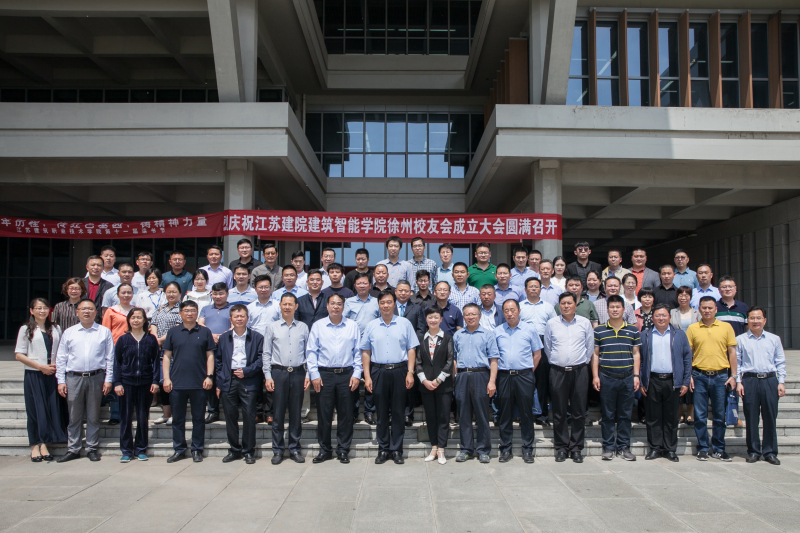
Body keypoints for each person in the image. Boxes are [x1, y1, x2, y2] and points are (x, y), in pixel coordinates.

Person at [362, 290, 419, 464]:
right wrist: (367, 376)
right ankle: (383, 449)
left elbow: (411, 349)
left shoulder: (404, 323)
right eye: (382, 302)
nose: (386, 305)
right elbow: (366, 352)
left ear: (394, 304)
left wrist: (410, 372)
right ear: (378, 305)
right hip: (378, 371)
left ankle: (396, 450)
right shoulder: (371, 325)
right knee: (381, 412)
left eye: (389, 302)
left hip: (400, 371)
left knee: (398, 412)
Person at [55, 299, 114, 462]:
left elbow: (110, 357)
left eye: (90, 309)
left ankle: (91, 448)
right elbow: (61, 358)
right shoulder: (69, 332)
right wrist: (61, 380)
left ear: (96, 312)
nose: (86, 312)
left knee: (94, 415)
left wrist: (108, 379)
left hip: (96, 377)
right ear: (77, 312)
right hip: (74, 377)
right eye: (83, 309)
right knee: (74, 416)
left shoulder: (104, 332)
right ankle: (73, 449)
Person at [307, 294, 362, 464]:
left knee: (346, 414)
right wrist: (314, 374)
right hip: (325, 375)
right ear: (327, 306)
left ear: (344, 307)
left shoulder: (352, 326)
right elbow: (311, 352)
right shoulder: (318, 325)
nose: (336, 307)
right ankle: (325, 450)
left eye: (339, 304)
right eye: (333, 303)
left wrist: (357, 374)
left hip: (347, 374)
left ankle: (343, 449)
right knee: (324, 414)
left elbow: (358, 352)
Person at [686, 296, 738, 461]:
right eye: (704, 308)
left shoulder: (726, 327)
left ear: (716, 309)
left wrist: (734, 376)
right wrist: (688, 376)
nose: (707, 311)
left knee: (719, 416)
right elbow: (688, 354)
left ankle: (719, 449)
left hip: (720, 376)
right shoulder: (693, 328)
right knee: (700, 416)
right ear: (699, 310)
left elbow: (732, 352)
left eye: (710, 308)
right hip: (699, 376)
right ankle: (702, 448)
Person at [15, 298, 67, 462]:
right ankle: (34, 445)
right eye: (38, 308)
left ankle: (44, 443)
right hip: (34, 374)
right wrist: (40, 367)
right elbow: (19, 355)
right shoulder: (26, 329)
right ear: (32, 311)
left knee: (50, 409)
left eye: (45, 308)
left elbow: (60, 350)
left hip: (52, 374)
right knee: (35, 410)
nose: (42, 311)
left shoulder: (56, 328)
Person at [545, 292, 595, 463]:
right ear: (559, 306)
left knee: (578, 411)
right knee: (559, 412)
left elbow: (589, 347)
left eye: (569, 303)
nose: (566, 306)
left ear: (575, 304)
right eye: (563, 303)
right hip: (557, 372)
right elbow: (548, 347)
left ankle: (576, 448)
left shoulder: (584, 323)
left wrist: (581, 363)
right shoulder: (552, 323)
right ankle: (561, 447)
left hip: (579, 371)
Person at [162, 301, 215, 463]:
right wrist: (166, 378)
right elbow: (166, 356)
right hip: (177, 383)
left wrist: (209, 376)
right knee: (178, 419)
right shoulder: (173, 332)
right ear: (180, 313)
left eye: (193, 310)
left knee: (198, 419)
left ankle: (197, 449)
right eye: (186, 310)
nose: (190, 313)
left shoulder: (205, 332)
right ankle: (179, 449)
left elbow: (210, 356)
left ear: (197, 313)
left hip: (199, 382)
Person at [640, 304, 692, 462]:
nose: (661, 318)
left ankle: (670, 449)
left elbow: (687, 359)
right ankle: (655, 448)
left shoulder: (679, 335)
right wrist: (642, 381)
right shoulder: (645, 335)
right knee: (653, 417)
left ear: (669, 317)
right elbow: (640, 360)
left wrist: (685, 381)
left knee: (671, 417)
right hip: (652, 380)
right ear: (652, 318)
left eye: (664, 315)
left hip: (672, 381)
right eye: (657, 315)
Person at [592, 295, 641, 461]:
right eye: (612, 307)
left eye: (618, 307)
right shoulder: (599, 330)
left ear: (624, 309)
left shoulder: (632, 330)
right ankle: (608, 447)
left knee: (625, 415)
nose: (615, 310)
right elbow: (595, 354)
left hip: (627, 377)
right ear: (607, 310)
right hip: (607, 377)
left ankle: (623, 447)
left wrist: (636, 375)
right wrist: (595, 376)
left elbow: (636, 354)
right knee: (607, 414)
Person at [737, 307, 786, 465]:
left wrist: (781, 381)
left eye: (759, 318)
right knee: (751, 417)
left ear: (764, 320)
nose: (755, 321)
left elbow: (780, 361)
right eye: (752, 318)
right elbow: (737, 363)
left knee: (770, 417)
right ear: (748, 320)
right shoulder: (741, 339)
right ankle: (753, 451)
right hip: (749, 380)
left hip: (769, 380)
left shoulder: (774, 339)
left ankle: (770, 452)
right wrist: (738, 382)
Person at [262, 295, 308, 465]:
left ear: (296, 306)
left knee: (296, 413)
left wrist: (308, 375)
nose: (287, 307)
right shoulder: (272, 327)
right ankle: (278, 450)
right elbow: (266, 353)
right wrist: (268, 376)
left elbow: (308, 353)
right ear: (280, 306)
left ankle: (295, 448)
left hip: (298, 373)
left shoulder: (303, 327)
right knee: (278, 413)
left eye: (290, 304)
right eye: (284, 304)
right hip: (278, 373)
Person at [495, 299, 542, 464]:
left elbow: (537, 354)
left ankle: (527, 449)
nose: (509, 313)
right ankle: (505, 449)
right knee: (505, 413)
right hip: (504, 376)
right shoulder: (497, 331)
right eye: (506, 311)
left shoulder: (529, 329)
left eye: (512, 310)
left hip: (524, 376)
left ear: (519, 311)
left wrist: (528, 372)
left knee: (526, 413)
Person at [216, 304, 263, 464]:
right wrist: (220, 381)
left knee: (249, 416)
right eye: (236, 316)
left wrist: (247, 371)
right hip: (229, 379)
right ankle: (234, 449)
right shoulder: (224, 338)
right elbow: (219, 361)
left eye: (242, 316)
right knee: (230, 416)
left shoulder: (257, 337)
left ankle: (248, 451)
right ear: (231, 319)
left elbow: (261, 359)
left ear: (247, 318)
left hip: (248, 379)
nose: (239, 319)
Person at [452, 304, 498, 464]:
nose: (470, 317)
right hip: (462, 375)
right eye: (467, 315)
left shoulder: (488, 334)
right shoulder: (458, 335)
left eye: (473, 314)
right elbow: (454, 359)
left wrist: (492, 381)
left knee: (482, 414)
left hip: (481, 375)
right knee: (463, 414)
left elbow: (493, 360)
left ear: (479, 316)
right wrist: (455, 377)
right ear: (463, 317)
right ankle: (466, 449)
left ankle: (483, 450)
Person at [113, 308, 160, 462]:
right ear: (129, 320)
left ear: (145, 320)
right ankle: (126, 450)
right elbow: (117, 363)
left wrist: (155, 381)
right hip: (126, 383)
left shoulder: (151, 339)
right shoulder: (123, 340)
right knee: (125, 417)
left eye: (139, 317)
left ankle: (140, 448)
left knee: (142, 417)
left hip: (145, 383)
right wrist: (117, 382)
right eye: (133, 317)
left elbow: (156, 362)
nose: (136, 320)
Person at [416, 305, 454, 465]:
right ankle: (433, 447)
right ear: (426, 319)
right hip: (426, 385)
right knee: (430, 417)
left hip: (443, 385)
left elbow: (450, 360)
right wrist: (424, 380)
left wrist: (439, 380)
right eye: (430, 317)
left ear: (441, 319)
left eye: (436, 317)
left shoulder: (447, 338)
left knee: (443, 417)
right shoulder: (421, 339)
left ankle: (441, 449)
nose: (433, 320)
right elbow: (418, 362)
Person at [343, 272, 380, 424]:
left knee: (371, 380)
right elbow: (344, 322)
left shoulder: (377, 302)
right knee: (354, 380)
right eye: (359, 283)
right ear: (355, 286)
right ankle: (353, 411)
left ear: (370, 285)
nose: (362, 286)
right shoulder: (348, 302)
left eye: (365, 283)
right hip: (353, 347)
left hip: (372, 347)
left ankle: (369, 411)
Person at [518, 278, 556, 426]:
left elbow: (554, 327)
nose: (533, 289)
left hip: (543, 343)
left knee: (542, 381)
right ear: (525, 289)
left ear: (540, 289)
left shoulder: (548, 307)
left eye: (536, 286)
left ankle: (542, 415)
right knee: (523, 380)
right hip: (524, 344)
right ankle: (523, 414)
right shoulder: (520, 306)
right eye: (530, 286)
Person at [247, 274, 280, 425]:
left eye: (266, 287)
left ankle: (270, 412)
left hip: (274, 346)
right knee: (256, 380)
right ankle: (258, 411)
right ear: (255, 288)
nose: (263, 289)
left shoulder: (277, 305)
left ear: (271, 288)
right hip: (255, 346)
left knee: (271, 379)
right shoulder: (250, 307)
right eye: (260, 287)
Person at [149, 282, 183, 425]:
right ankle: (165, 414)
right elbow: (153, 324)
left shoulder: (181, 309)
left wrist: (160, 340)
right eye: (169, 292)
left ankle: (175, 414)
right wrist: (155, 339)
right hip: (159, 349)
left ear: (180, 293)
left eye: (174, 292)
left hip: (174, 350)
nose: (171, 294)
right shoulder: (160, 307)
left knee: (174, 382)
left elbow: (176, 328)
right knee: (163, 381)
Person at [198, 282, 232, 424]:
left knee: (226, 377)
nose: (218, 296)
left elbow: (235, 325)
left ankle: (229, 410)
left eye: (221, 293)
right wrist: (211, 335)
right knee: (210, 376)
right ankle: (212, 411)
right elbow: (200, 323)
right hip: (208, 348)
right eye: (215, 294)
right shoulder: (206, 308)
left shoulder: (232, 308)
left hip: (227, 347)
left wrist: (222, 336)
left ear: (227, 294)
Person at [100, 283, 134, 425]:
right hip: (115, 348)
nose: (126, 295)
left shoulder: (136, 310)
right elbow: (105, 331)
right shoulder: (111, 311)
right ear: (118, 295)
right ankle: (115, 414)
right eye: (123, 292)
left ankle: (129, 413)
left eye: (129, 292)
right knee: (116, 379)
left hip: (133, 348)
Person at [395, 280, 424, 426]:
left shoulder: (417, 308)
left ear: (410, 293)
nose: (403, 293)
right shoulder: (388, 306)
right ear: (395, 292)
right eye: (400, 290)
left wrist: (410, 343)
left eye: (406, 291)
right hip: (392, 351)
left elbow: (421, 329)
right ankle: (392, 414)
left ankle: (408, 414)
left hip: (411, 351)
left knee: (409, 384)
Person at [670, 286, 700, 426]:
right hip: (676, 351)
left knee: (691, 381)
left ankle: (691, 412)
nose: (683, 297)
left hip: (694, 352)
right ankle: (680, 412)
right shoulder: (672, 312)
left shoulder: (697, 313)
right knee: (678, 381)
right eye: (681, 295)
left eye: (686, 295)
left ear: (690, 297)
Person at [84, 255, 115, 321]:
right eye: (93, 265)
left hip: (100, 321)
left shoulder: (109, 286)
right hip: (81, 319)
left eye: (99, 265)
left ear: (103, 268)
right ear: (87, 267)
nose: (96, 267)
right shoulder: (80, 284)